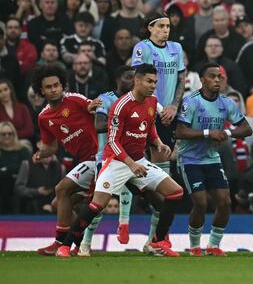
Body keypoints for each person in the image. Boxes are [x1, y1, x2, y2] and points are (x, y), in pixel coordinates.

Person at [56, 64, 184, 258]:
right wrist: (131, 164)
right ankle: (65, 246)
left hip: (139, 161)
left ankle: (158, 241)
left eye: (155, 82)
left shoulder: (152, 101)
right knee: (96, 206)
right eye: (149, 81)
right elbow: (112, 141)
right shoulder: (120, 105)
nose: (153, 86)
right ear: (137, 81)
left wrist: (158, 142)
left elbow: (148, 126)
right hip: (116, 162)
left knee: (175, 193)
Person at [176, 63, 252, 256]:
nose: (217, 80)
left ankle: (213, 245)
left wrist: (225, 132)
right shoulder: (190, 102)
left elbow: (246, 129)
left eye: (219, 77)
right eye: (212, 76)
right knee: (201, 203)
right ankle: (194, 246)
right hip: (189, 159)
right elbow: (180, 131)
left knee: (225, 202)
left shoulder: (227, 103)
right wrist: (209, 133)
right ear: (202, 80)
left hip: (211, 159)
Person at [31, 64, 101, 256]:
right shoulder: (44, 117)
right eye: (48, 87)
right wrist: (41, 154)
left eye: (56, 85)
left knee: (61, 189)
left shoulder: (74, 99)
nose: (54, 90)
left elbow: (89, 105)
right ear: (41, 90)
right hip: (84, 162)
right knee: (58, 203)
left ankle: (59, 243)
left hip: (98, 157)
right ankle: (79, 243)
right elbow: (52, 146)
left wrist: (93, 105)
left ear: (63, 85)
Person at [127, 11, 184, 247]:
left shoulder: (176, 49)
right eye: (160, 26)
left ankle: (157, 236)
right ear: (149, 28)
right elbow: (139, 80)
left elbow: (181, 79)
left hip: (167, 114)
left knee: (164, 173)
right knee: (134, 170)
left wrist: (174, 105)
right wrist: (161, 108)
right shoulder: (142, 48)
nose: (165, 30)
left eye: (168, 26)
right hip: (146, 112)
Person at [78, 66, 135, 256]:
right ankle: (85, 243)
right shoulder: (106, 98)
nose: (132, 81)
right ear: (118, 79)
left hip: (130, 156)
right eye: (128, 77)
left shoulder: (136, 100)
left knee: (131, 188)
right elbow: (99, 124)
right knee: (100, 203)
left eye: (135, 78)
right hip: (106, 156)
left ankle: (124, 224)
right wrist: (123, 125)